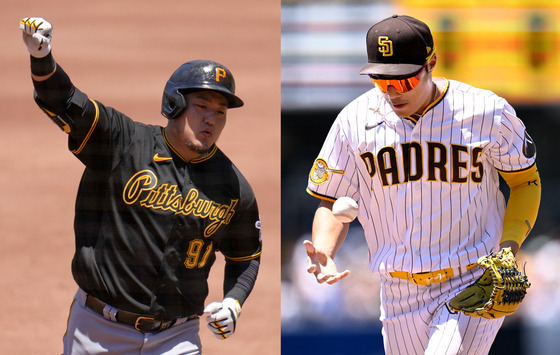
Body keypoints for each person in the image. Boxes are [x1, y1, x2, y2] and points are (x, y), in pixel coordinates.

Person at [20, 17, 262, 354]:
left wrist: (234, 302)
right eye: (202, 107)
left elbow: (246, 255)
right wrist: (42, 58)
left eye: (220, 112)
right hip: (98, 331)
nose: (211, 119)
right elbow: (64, 101)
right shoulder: (124, 142)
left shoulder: (232, 185)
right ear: (174, 105)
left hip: (176, 338)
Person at [304, 14, 541, 355]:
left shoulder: (486, 112)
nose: (391, 92)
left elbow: (525, 181)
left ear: (431, 63)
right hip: (397, 291)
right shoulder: (353, 121)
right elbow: (330, 200)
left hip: (471, 277)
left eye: (402, 81)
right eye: (381, 81)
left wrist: (509, 248)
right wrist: (325, 251)